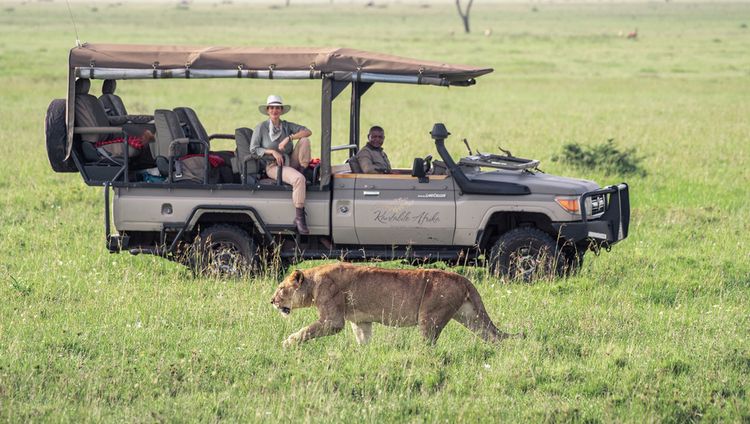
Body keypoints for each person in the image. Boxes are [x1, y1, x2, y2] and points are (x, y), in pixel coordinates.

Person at [249, 95, 313, 234]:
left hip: (290, 161)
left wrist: (288, 138)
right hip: (273, 166)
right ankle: (299, 218)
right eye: (272, 107)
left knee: (304, 140)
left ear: (282, 110)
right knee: (298, 180)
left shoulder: (286, 125)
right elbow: (253, 150)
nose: (275, 110)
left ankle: (302, 170)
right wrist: (271, 151)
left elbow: (308, 131)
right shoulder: (261, 127)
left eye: (277, 107)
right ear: (267, 110)